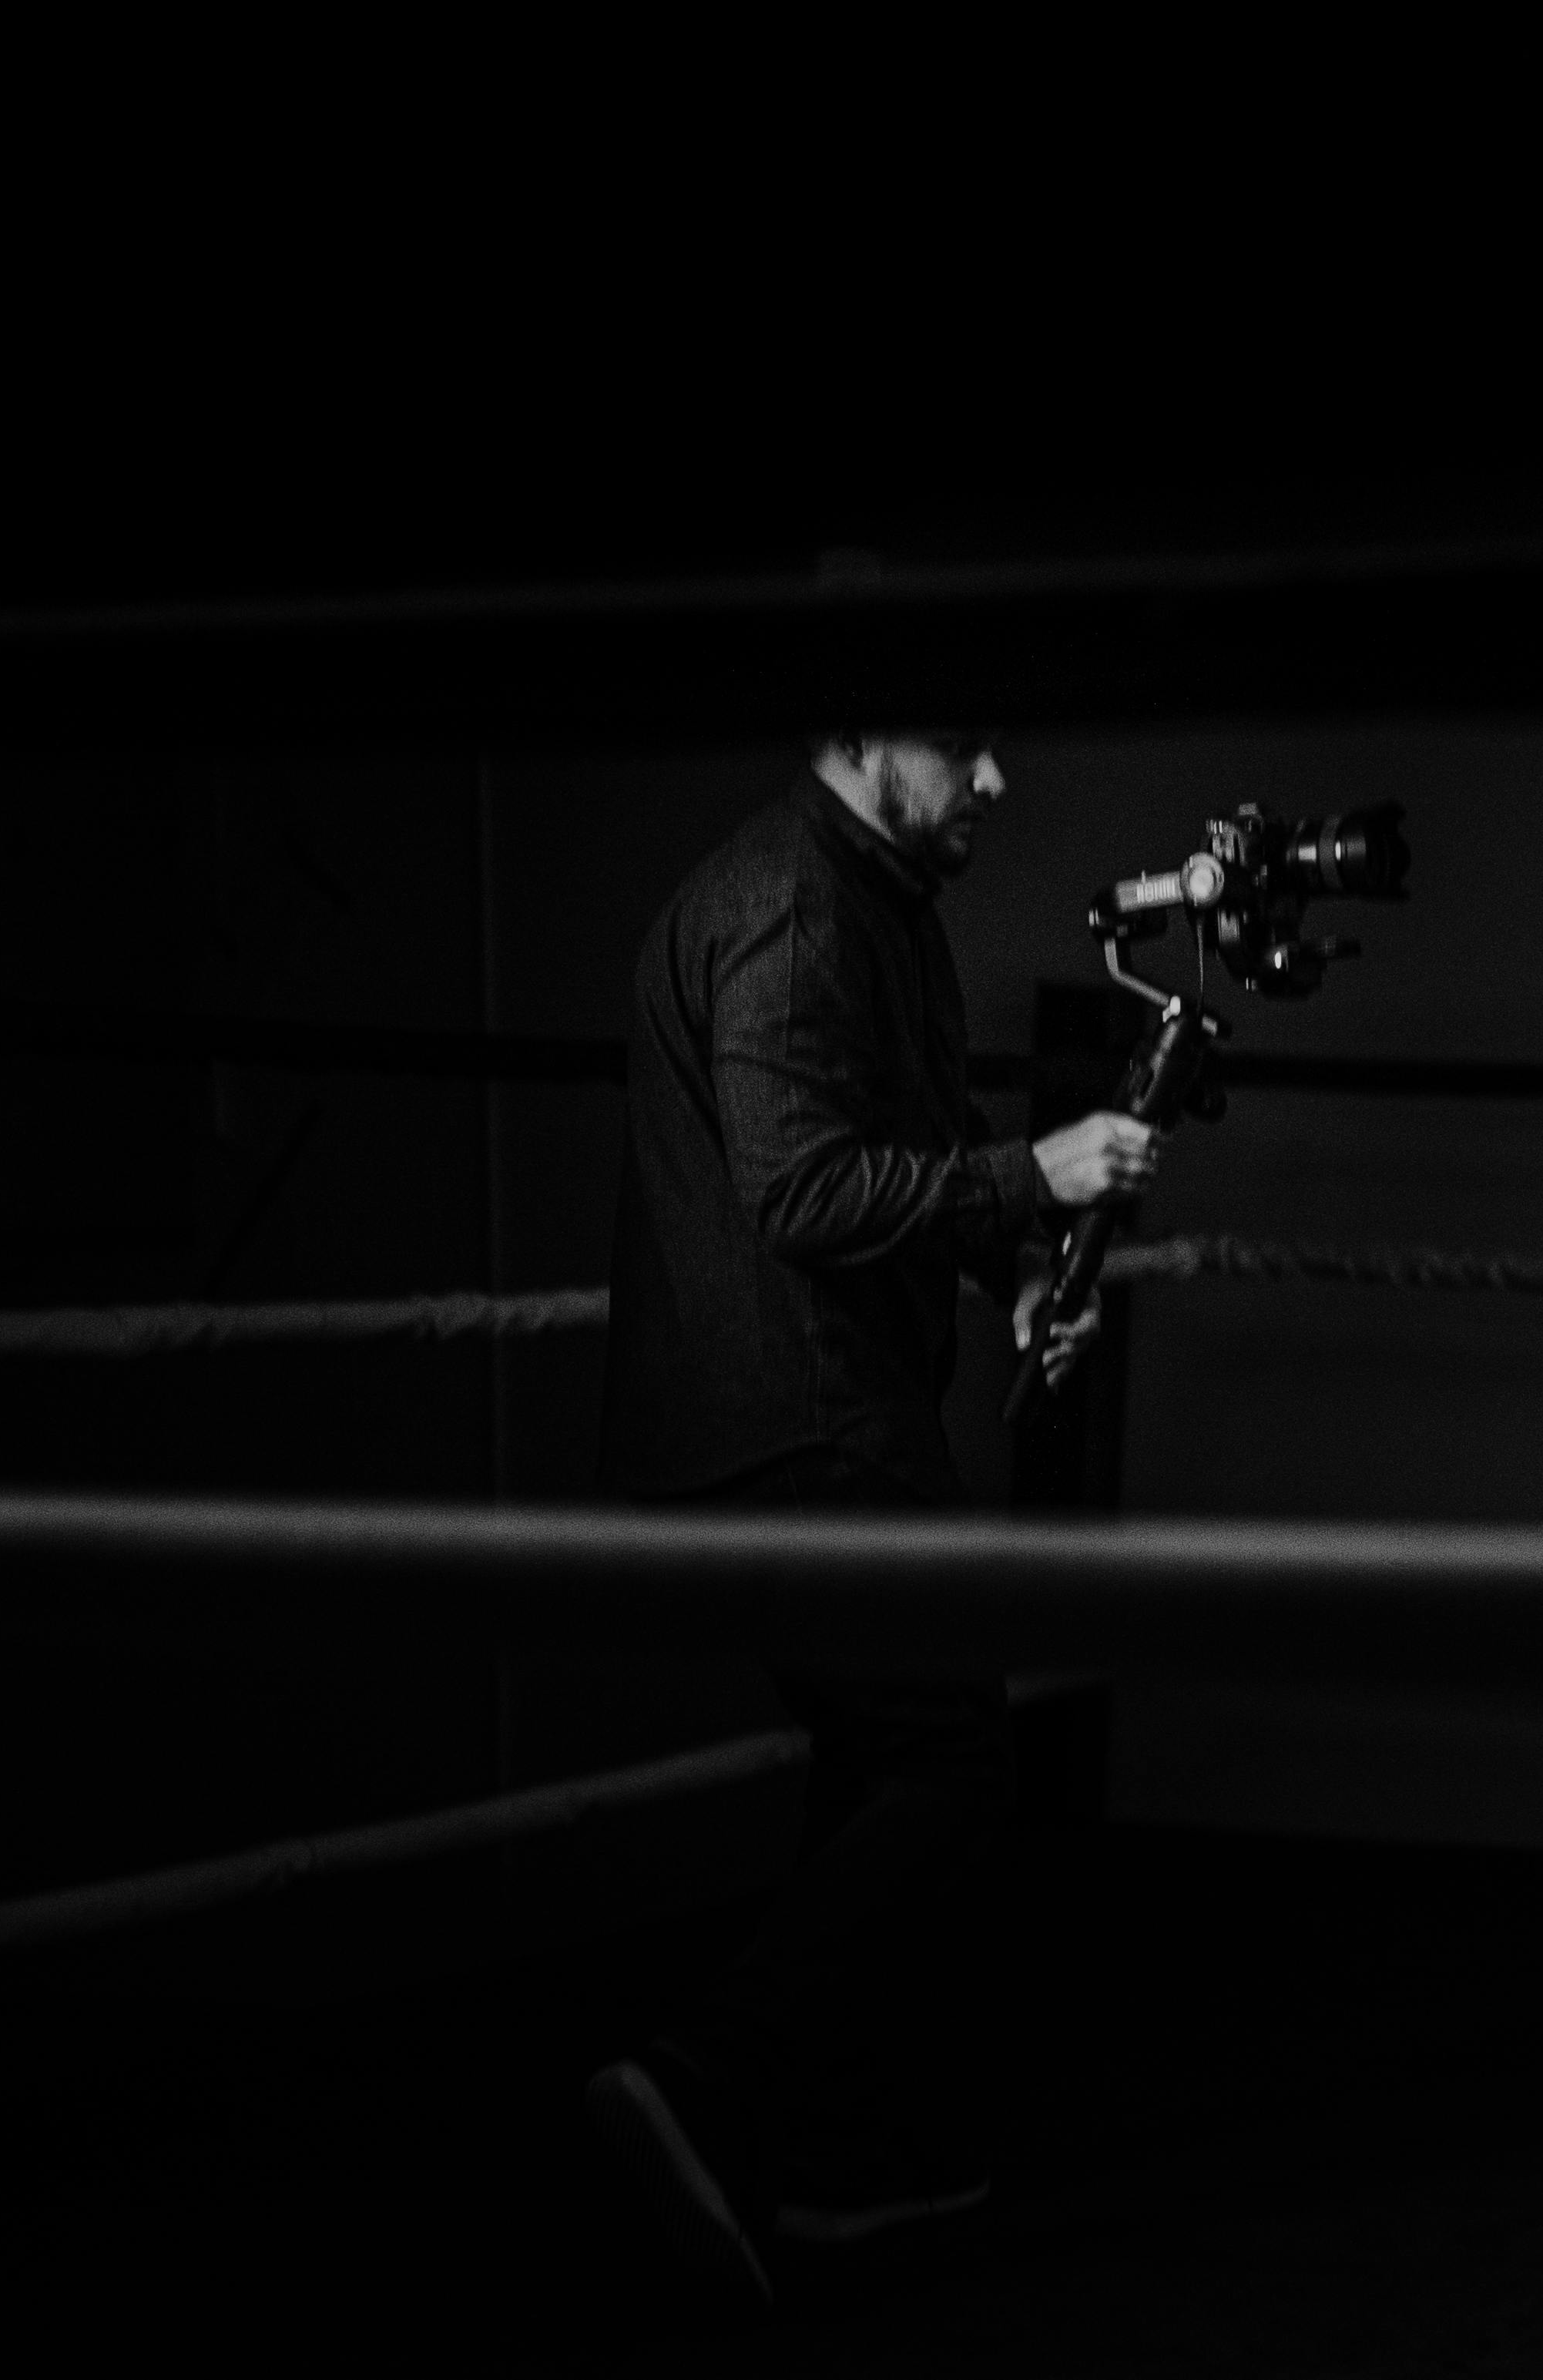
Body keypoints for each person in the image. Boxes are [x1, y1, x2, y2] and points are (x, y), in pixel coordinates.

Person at [585, 729, 1158, 2311]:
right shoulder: (789, 905)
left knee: (877, 1764)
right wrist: (1033, 1177)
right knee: (946, 1755)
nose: (991, 776)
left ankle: (824, 2159)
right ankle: (695, 2079)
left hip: (803, 1409)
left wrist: (1011, 1263)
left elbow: (878, 1158)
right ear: (854, 732)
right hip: (802, 1418)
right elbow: (798, 1189)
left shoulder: (877, 896)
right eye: (957, 740)